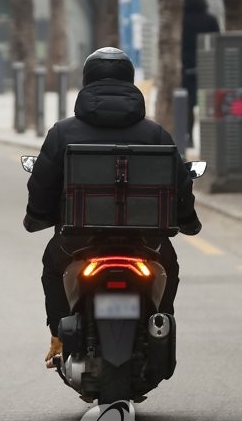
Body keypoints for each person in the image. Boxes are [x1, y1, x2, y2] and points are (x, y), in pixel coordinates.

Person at [24, 47, 201, 368]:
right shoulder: (156, 134)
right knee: (170, 268)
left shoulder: (62, 132)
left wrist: (37, 216)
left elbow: (42, 184)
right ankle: (159, 327)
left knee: (53, 268)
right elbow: (180, 185)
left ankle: (60, 337)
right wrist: (188, 221)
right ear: (130, 81)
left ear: (86, 81)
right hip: (146, 242)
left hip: (78, 239)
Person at [180, 0, 220, 145]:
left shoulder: (182, 21)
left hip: (187, 68)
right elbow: (218, 43)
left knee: (188, 105)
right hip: (207, 69)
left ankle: (188, 137)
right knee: (208, 103)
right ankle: (209, 138)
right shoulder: (210, 20)